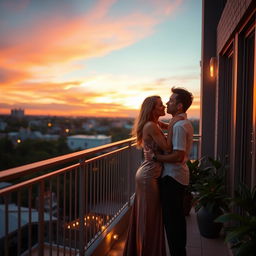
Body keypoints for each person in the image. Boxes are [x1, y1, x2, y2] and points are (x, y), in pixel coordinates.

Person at [123, 95, 171, 256]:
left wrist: (178, 123)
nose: (164, 106)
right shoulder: (151, 126)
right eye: (160, 105)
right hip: (148, 176)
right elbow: (168, 148)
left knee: (150, 215)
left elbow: (171, 126)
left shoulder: (155, 123)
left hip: (149, 173)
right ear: (152, 109)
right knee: (148, 217)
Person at [154, 87, 194, 256]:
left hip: (173, 178)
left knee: (172, 222)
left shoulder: (179, 127)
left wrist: (157, 158)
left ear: (179, 106)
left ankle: (178, 253)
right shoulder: (178, 122)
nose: (167, 103)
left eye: (170, 101)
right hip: (177, 177)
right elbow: (165, 126)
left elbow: (178, 156)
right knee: (176, 219)